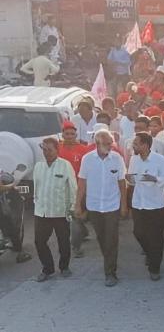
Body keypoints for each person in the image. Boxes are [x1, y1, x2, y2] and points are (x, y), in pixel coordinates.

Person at [75, 130, 128, 287]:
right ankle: (109, 260)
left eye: (110, 144)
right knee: (101, 237)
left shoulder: (117, 158)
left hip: (112, 206)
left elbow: (122, 183)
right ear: (97, 143)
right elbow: (82, 183)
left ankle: (110, 272)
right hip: (94, 206)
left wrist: (124, 205)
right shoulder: (87, 159)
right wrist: (78, 204)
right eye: (106, 144)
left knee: (111, 238)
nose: (109, 147)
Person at [32, 137, 77, 282]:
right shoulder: (38, 166)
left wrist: (71, 208)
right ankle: (47, 268)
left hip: (60, 211)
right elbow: (36, 188)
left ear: (57, 150)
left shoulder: (65, 165)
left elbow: (72, 189)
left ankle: (64, 267)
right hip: (42, 212)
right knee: (39, 241)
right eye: (44, 150)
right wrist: (36, 203)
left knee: (63, 241)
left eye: (49, 150)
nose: (46, 153)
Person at [127, 132, 164, 281]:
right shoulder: (134, 159)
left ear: (145, 145)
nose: (134, 146)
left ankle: (155, 268)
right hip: (139, 202)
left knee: (156, 237)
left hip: (156, 204)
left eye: (137, 143)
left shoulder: (160, 160)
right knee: (138, 233)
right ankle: (150, 254)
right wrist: (129, 178)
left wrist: (155, 179)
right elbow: (132, 179)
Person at [57, 120, 91, 257]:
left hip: (80, 188)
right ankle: (82, 233)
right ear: (63, 134)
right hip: (63, 188)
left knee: (75, 216)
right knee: (73, 216)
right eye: (67, 134)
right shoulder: (57, 148)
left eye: (72, 133)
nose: (70, 136)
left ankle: (76, 246)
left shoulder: (83, 149)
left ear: (76, 134)